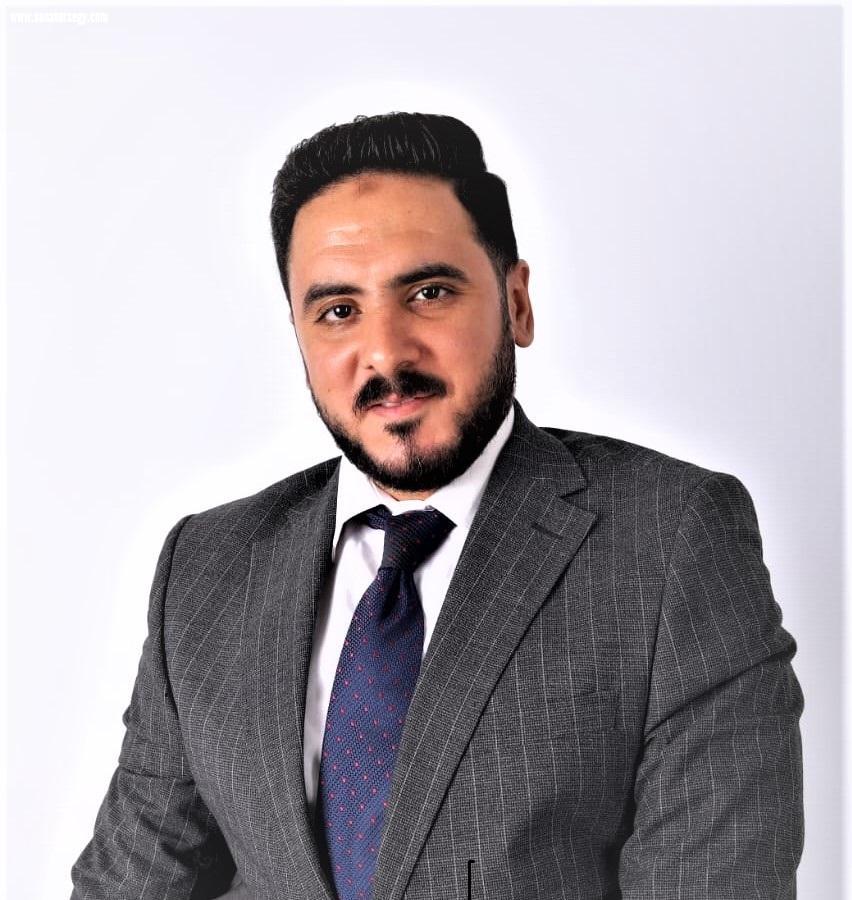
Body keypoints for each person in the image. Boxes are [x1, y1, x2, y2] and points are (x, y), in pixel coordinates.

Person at [70, 112, 804, 900]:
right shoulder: (207, 568)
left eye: (428, 292)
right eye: (338, 310)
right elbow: (133, 881)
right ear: (300, 336)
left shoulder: (672, 542)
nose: (386, 353)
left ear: (516, 303)